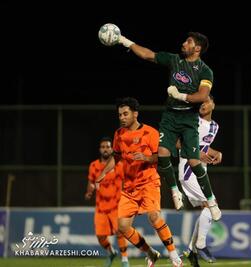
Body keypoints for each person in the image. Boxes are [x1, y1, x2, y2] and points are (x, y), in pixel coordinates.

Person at [116, 31, 221, 221]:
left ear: (197, 48)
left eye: (188, 41)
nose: (183, 43)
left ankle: (211, 201)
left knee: (194, 162)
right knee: (163, 153)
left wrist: (179, 95)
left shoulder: (205, 71)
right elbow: (148, 54)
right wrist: (124, 41)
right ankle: (175, 192)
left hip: (189, 118)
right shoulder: (174, 60)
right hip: (170, 116)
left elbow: (202, 96)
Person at [95, 97, 183, 267]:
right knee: (122, 227)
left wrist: (147, 157)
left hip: (149, 182)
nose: (122, 117)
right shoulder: (118, 134)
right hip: (129, 187)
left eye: (125, 114)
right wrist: (104, 173)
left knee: (154, 216)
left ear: (135, 114)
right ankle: (151, 253)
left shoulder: (150, 133)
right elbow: (117, 157)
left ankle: (173, 255)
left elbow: (164, 156)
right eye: (120, 114)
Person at [178, 96, 222, 266]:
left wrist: (216, 153)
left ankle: (191, 250)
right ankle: (200, 244)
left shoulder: (215, 126)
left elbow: (204, 145)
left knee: (208, 207)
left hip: (202, 172)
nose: (203, 105)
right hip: (189, 170)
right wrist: (196, 153)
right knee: (211, 205)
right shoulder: (192, 120)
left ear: (213, 104)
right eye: (200, 103)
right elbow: (178, 143)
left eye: (206, 102)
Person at [85, 137, 129, 267]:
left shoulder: (119, 165)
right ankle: (111, 252)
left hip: (116, 205)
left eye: (108, 147)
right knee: (100, 236)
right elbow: (91, 182)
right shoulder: (94, 165)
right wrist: (89, 191)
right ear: (100, 149)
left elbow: (125, 182)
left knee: (120, 232)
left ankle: (125, 259)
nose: (105, 149)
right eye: (103, 147)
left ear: (112, 149)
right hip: (101, 207)